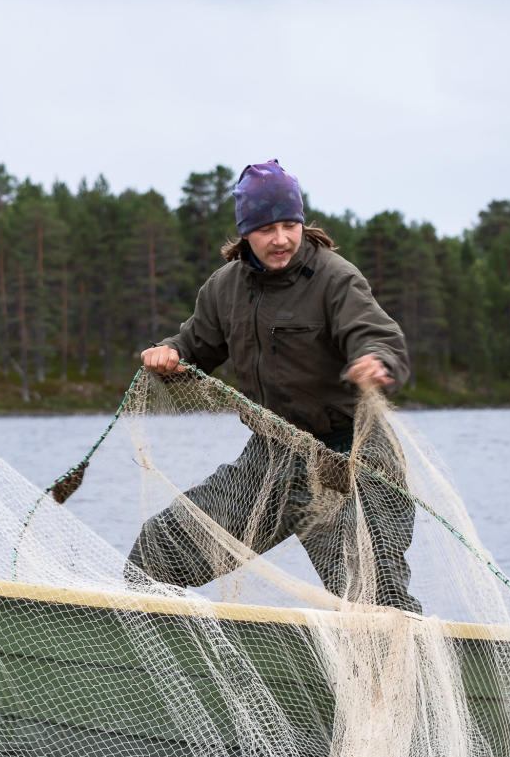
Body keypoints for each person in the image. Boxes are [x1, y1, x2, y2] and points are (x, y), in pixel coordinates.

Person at [128, 159, 421, 611]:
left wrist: (374, 361)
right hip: (269, 459)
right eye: (267, 228)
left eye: (290, 225)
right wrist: (168, 351)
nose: (281, 239)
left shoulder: (335, 278)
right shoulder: (224, 288)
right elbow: (194, 344)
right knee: (158, 550)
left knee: (375, 600)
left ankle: (405, 678)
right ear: (246, 232)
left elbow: (376, 335)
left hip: (348, 459)